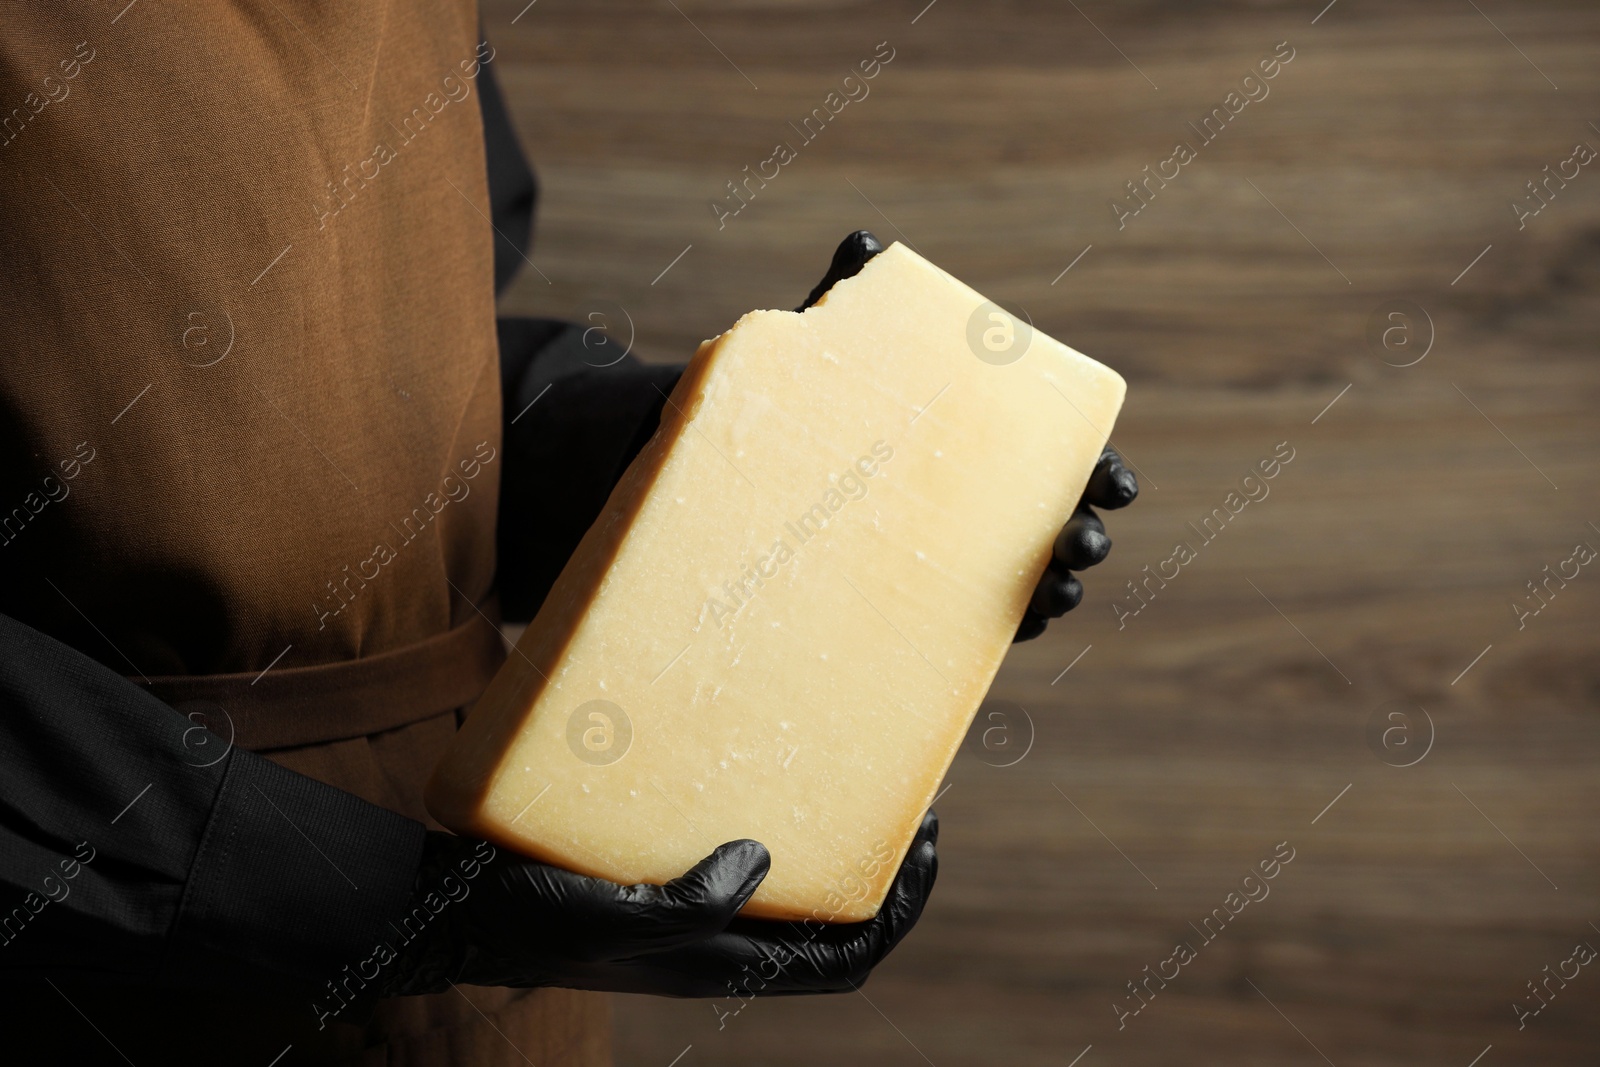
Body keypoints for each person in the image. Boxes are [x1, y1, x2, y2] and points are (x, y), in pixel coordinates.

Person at [0, 6, 1136, 1064]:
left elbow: (414, 372)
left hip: (501, 943)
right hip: (109, 941)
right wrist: (379, 900)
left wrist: (737, 451)